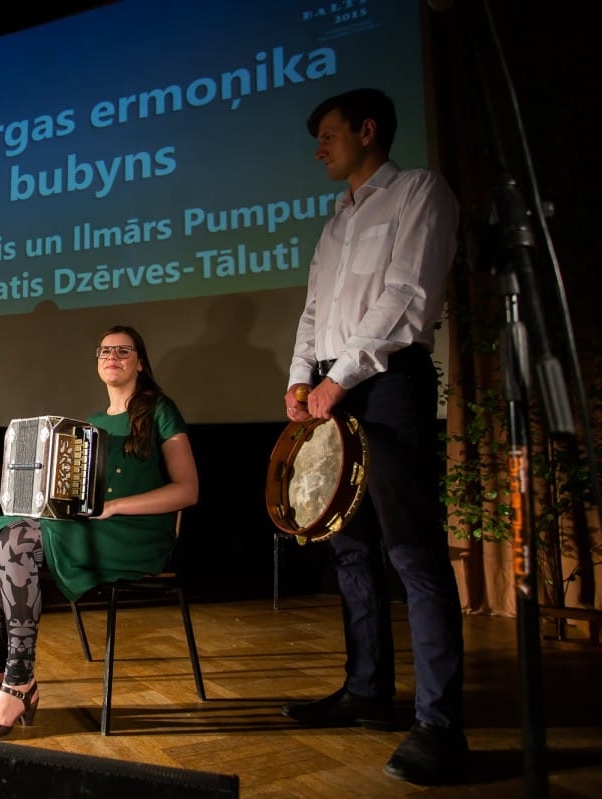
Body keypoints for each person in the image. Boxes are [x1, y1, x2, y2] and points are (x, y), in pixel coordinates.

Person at [280, 87, 467, 785]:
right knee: (348, 545)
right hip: (332, 384)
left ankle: (441, 724)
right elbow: (312, 311)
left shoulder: (419, 192)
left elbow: (407, 299)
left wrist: (343, 376)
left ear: (366, 131)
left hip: (387, 380)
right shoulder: (335, 220)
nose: (320, 148)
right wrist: (302, 378)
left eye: (328, 135)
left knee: (412, 549)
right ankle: (367, 692)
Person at [0, 326, 198, 739]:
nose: (112, 357)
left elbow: (188, 490)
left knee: (17, 542)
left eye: (123, 351)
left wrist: (117, 506)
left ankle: (21, 680)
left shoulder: (160, 410)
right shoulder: (95, 422)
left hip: (137, 535)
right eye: (104, 351)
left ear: (140, 362)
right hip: (95, 531)